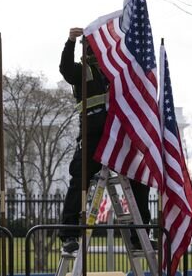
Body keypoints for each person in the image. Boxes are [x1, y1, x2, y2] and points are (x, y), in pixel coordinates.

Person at [58, 27, 153, 254]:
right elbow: (66, 69)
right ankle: (69, 235)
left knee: (139, 179)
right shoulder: (81, 72)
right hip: (93, 136)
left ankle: (140, 235)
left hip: (119, 135)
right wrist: (70, 41)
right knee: (79, 181)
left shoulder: (115, 72)